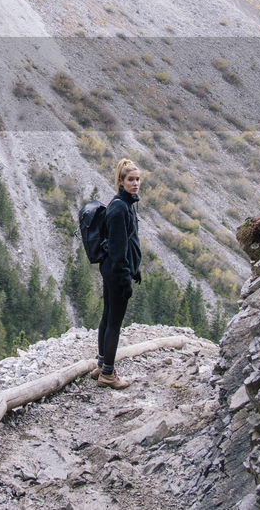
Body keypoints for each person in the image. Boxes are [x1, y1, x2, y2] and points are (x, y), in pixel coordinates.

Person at [92, 158, 142, 389]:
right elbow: (118, 249)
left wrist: (135, 269)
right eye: (130, 180)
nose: (135, 183)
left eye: (137, 179)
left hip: (112, 270)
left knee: (107, 316)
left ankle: (101, 364)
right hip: (116, 272)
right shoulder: (120, 208)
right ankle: (108, 374)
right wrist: (125, 279)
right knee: (114, 322)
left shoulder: (123, 204)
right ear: (121, 182)